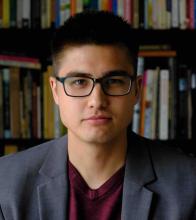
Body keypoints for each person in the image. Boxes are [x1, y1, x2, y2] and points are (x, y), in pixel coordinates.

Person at [0, 10, 196, 220]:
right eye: (79, 82)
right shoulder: (5, 183)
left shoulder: (190, 184)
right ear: (55, 91)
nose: (97, 101)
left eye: (113, 81)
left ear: (137, 90)